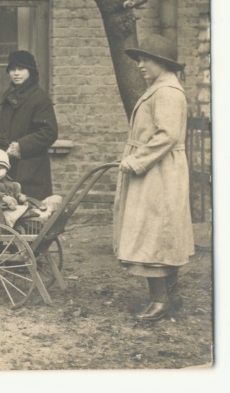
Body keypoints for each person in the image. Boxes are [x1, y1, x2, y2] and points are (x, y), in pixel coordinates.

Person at [113, 34, 194, 322]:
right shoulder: (160, 87)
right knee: (159, 232)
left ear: (160, 61)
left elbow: (168, 135)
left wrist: (137, 160)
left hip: (158, 171)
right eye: (139, 60)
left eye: (145, 59)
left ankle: (160, 301)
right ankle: (171, 296)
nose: (140, 65)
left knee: (154, 233)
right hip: (155, 170)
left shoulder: (168, 91)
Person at [0, 50, 58, 200]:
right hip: (10, 164)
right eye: (12, 69)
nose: (16, 73)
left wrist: (19, 146)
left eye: (21, 69)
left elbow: (49, 132)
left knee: (30, 212)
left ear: (30, 71)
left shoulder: (39, 98)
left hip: (31, 167)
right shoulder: (9, 95)